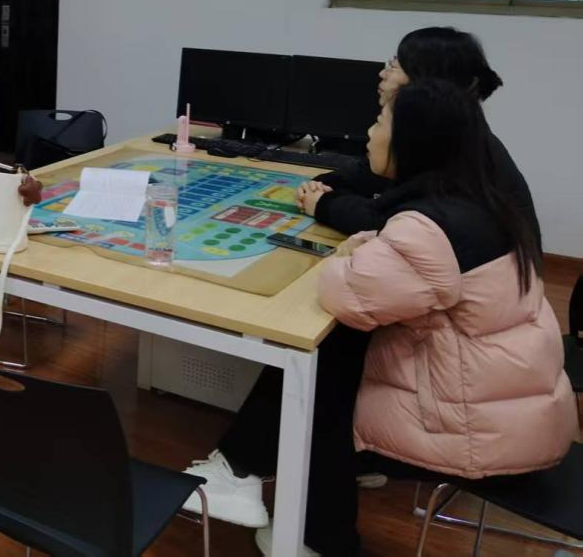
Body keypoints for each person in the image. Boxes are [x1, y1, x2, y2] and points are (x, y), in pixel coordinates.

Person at [181, 79, 576, 556]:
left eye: (379, 122)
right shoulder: (477, 199)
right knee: (336, 355)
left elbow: (346, 291)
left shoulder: (431, 226)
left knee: (319, 378)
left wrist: (356, 247)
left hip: (479, 433)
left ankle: (310, 534)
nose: (368, 133)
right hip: (510, 410)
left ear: (413, 142)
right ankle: (265, 493)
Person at [297, 27, 540, 249]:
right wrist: (326, 185)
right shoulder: (454, 131)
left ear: (424, 80)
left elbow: (391, 223)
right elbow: (369, 177)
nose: (382, 73)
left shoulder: (457, 147)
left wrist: (324, 203)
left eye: (394, 66)